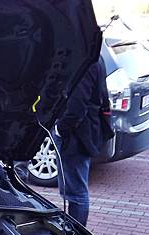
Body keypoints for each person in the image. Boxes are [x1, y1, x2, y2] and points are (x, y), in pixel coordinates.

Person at [54, 56, 113, 226]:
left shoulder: (84, 60)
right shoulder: (95, 56)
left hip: (77, 135)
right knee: (76, 190)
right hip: (83, 131)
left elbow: (77, 105)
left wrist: (61, 128)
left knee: (76, 193)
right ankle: (75, 230)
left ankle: (77, 233)